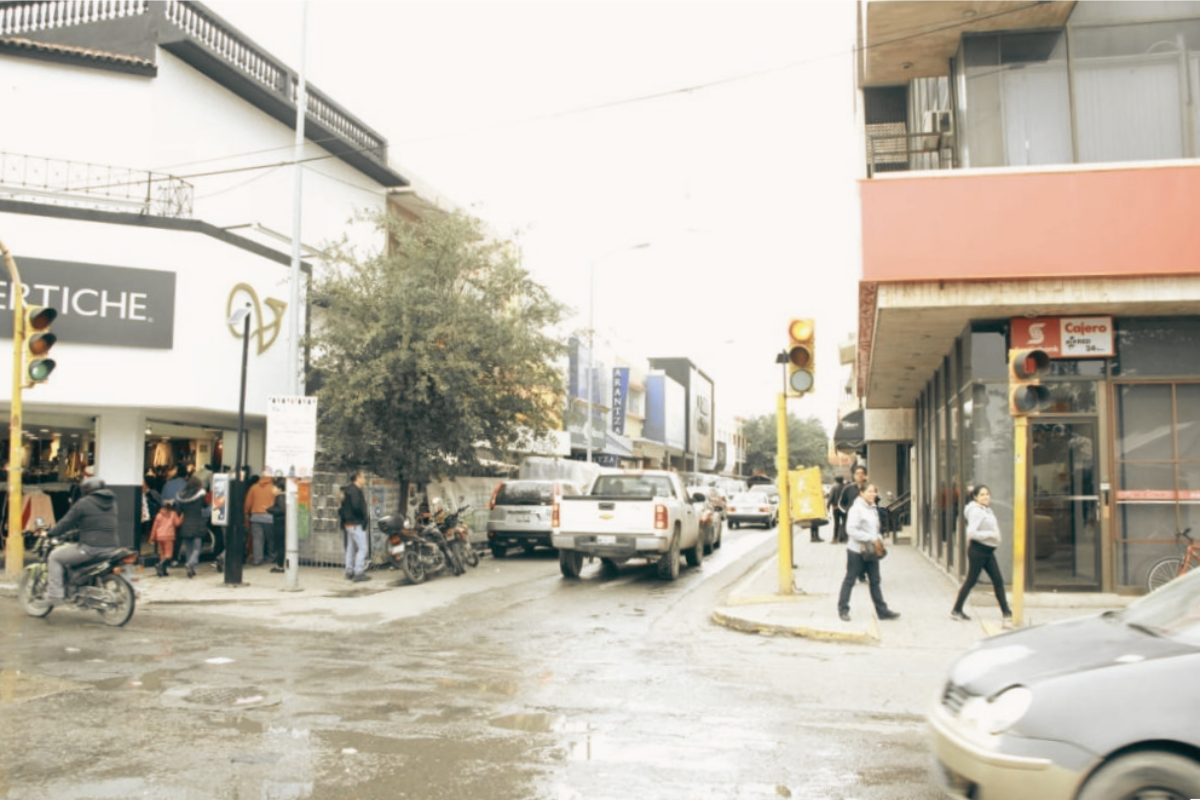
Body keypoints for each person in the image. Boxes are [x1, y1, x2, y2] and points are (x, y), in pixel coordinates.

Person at [43, 477, 122, 604]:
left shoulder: (83, 503)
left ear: (86, 489)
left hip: (90, 548)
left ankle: (55, 595)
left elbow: (66, 522)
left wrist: (51, 533)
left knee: (55, 557)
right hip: (111, 547)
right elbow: (96, 525)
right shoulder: (112, 503)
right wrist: (75, 534)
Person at [836, 483, 901, 623]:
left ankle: (882, 611)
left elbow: (875, 529)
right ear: (861, 493)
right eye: (870, 492)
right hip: (857, 551)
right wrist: (871, 538)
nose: (873, 494)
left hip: (871, 551)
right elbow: (851, 530)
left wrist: (879, 538)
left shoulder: (872, 508)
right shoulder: (856, 509)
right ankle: (843, 609)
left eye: (875, 492)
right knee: (850, 579)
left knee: (875, 581)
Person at [951, 485, 1013, 627]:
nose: (986, 497)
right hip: (978, 551)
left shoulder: (985, 509)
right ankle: (956, 610)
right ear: (975, 497)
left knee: (997, 581)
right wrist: (991, 535)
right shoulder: (976, 512)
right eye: (982, 495)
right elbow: (971, 533)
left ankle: (1006, 612)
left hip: (987, 551)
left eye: (987, 494)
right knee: (971, 581)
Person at [339, 470, 370, 582]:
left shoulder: (347, 490)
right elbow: (357, 506)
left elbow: (341, 508)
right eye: (363, 477)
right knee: (363, 548)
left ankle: (349, 571)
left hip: (348, 523)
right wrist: (363, 518)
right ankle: (359, 572)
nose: (365, 480)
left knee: (350, 548)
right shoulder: (356, 491)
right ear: (358, 478)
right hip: (356, 523)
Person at [175, 475, 208, 578]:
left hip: (185, 525)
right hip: (197, 524)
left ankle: (191, 569)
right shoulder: (201, 495)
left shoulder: (182, 496)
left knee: (189, 548)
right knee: (197, 548)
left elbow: (179, 510)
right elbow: (206, 506)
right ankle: (191, 564)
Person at [243, 468, 277, 567]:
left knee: (257, 539)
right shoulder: (274, 488)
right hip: (269, 517)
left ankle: (258, 559)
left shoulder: (254, 487)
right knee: (270, 538)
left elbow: (248, 502)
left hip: (256, 517)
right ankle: (271, 557)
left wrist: (246, 512)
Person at [149, 499, 182, 577]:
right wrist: (182, 517)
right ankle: (159, 565)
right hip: (169, 536)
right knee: (168, 555)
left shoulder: (159, 515)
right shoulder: (173, 514)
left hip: (160, 536)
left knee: (162, 554)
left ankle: (163, 571)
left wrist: (152, 538)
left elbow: (154, 527)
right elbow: (177, 523)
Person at [269, 477, 287, 573]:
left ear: (279, 489)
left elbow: (281, 510)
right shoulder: (283, 497)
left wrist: (270, 509)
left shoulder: (280, 497)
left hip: (280, 524)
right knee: (280, 545)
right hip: (281, 523)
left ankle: (280, 566)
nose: (272, 490)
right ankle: (280, 565)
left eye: (274, 488)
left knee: (280, 545)